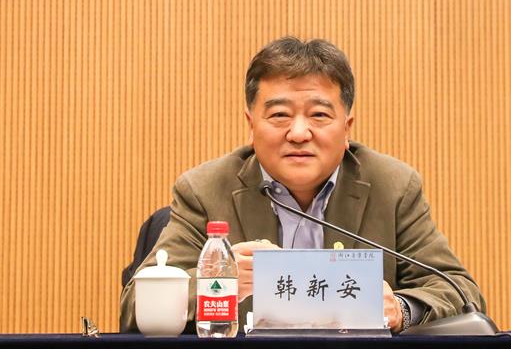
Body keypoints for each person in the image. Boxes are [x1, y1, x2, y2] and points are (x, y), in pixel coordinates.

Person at [120, 36, 486, 333]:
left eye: (319, 115)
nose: (298, 133)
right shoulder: (205, 190)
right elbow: (134, 305)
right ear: (251, 124)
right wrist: (219, 284)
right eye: (279, 115)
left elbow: (461, 291)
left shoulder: (392, 187)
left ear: (347, 127)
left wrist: (401, 309)